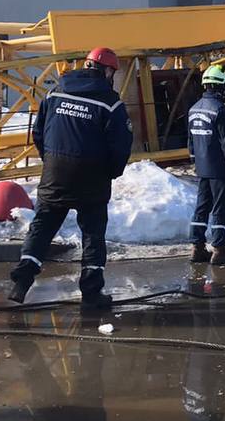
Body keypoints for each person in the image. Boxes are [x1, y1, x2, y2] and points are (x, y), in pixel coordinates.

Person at [7, 48, 132, 313]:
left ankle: (22, 280)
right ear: (107, 71)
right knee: (93, 234)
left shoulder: (55, 92)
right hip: (92, 176)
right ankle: (91, 293)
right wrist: (110, 171)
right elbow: (120, 146)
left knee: (42, 226)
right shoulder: (111, 102)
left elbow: (38, 131)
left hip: (56, 171)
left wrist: (52, 158)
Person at [187, 65, 225, 266]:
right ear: (220, 86)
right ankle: (220, 250)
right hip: (220, 168)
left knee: (201, 208)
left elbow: (191, 143)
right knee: (221, 209)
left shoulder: (194, 109)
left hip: (203, 167)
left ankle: (197, 247)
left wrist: (196, 161)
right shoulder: (220, 110)